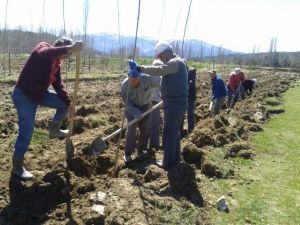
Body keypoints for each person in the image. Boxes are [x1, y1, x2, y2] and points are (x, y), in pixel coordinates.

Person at [11, 37, 83, 180]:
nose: (65, 57)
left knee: (63, 104)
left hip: (39, 94)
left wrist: (69, 103)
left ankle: (54, 130)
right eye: (65, 54)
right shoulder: (43, 48)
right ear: (60, 48)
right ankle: (17, 166)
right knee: (27, 131)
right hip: (24, 95)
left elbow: (58, 85)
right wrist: (70, 48)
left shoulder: (56, 64)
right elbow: (45, 52)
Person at [128, 42, 188, 169]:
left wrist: (140, 68)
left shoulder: (175, 63)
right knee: (174, 133)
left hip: (174, 103)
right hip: (173, 102)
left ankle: (168, 162)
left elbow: (159, 70)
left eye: (160, 56)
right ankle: (175, 160)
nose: (160, 59)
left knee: (168, 133)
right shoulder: (175, 63)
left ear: (167, 52)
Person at [121, 69, 160, 163]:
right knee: (131, 129)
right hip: (132, 108)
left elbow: (159, 82)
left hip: (146, 106)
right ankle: (128, 153)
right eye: (131, 79)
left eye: (135, 79)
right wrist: (135, 113)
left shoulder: (147, 79)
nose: (132, 81)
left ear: (139, 77)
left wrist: (164, 93)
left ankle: (141, 149)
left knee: (145, 129)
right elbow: (127, 103)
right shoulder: (125, 86)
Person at [149, 59, 162, 151]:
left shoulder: (148, 76)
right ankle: (154, 144)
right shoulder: (160, 78)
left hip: (147, 102)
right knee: (155, 124)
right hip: (155, 103)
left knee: (147, 124)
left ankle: (147, 144)